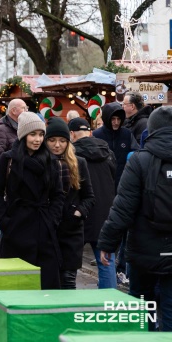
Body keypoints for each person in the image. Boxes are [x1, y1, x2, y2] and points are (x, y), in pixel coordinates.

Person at [98, 106, 172, 331]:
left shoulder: (139, 160)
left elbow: (123, 208)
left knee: (142, 305)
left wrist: (107, 243)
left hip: (143, 246)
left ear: (152, 129)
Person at [0, 112, 65, 289]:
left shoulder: (51, 161)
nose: (37, 139)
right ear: (23, 135)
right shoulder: (8, 159)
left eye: (41, 134)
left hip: (43, 229)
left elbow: (58, 195)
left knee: (46, 285)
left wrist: (52, 220)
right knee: (14, 285)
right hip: (16, 227)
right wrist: (5, 221)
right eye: (33, 134)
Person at [45, 118, 95, 289]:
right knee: (50, 282)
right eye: (52, 140)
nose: (57, 145)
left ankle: (68, 316)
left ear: (68, 141)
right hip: (48, 230)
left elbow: (89, 196)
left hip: (71, 231)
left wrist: (78, 212)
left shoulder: (79, 163)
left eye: (62, 140)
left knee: (68, 280)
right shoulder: (41, 163)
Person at [92, 102, 138, 284]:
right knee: (108, 224)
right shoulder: (97, 135)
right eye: (113, 119)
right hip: (103, 188)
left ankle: (119, 266)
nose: (116, 122)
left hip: (123, 186)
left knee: (123, 228)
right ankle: (110, 263)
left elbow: (135, 153)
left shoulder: (127, 134)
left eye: (119, 118)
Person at [69, 118, 118, 288]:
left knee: (69, 262)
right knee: (106, 261)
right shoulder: (108, 152)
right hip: (105, 213)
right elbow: (114, 179)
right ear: (89, 132)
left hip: (80, 212)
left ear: (72, 134)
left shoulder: (71, 155)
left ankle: (67, 303)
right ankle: (109, 305)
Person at [0, 98, 28, 166]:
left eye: (27, 108)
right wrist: (12, 170)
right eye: (23, 108)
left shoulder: (23, 127)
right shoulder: (1, 130)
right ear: (13, 111)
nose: (27, 111)